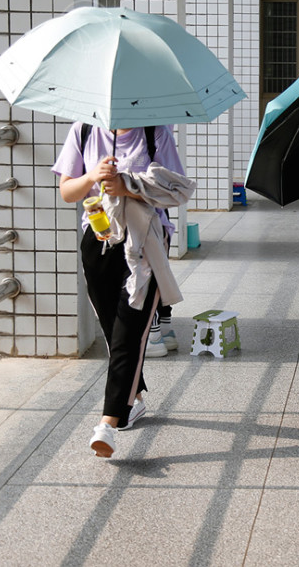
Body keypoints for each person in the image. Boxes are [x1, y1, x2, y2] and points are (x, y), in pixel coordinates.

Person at [52, 122, 189, 457]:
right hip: (98, 242)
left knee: (130, 330)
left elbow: (177, 189)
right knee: (113, 329)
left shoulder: (155, 134)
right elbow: (67, 191)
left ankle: (108, 424)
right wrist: (93, 177)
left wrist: (127, 186)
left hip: (146, 244)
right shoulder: (83, 131)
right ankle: (135, 395)